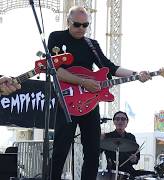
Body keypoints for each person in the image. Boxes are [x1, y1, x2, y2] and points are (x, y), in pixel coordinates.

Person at [48, 6, 151, 180]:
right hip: (66, 101)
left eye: (85, 25)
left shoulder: (91, 44)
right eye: (77, 24)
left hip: (90, 104)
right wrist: (83, 82)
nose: (81, 28)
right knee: (60, 149)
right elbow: (55, 69)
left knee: (93, 151)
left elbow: (110, 67)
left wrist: (137, 74)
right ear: (68, 22)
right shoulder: (56, 37)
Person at [101, 111, 154, 179]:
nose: (120, 121)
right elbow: (97, 152)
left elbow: (136, 158)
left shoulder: (131, 137)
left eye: (123, 119)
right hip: (112, 172)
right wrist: (98, 140)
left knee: (153, 175)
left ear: (127, 122)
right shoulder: (107, 136)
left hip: (129, 172)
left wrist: (134, 159)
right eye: (117, 119)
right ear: (114, 122)